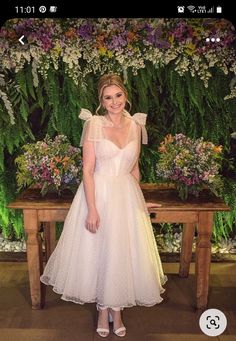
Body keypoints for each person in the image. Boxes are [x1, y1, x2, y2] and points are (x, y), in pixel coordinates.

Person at [40, 74, 167, 338]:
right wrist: (93, 209)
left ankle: (116, 309)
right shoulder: (94, 124)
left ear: (125, 95)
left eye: (118, 95)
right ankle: (102, 308)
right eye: (108, 97)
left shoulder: (135, 125)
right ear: (101, 101)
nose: (114, 102)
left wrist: (140, 201)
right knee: (99, 252)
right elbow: (87, 171)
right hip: (100, 194)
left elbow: (134, 168)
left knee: (121, 252)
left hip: (126, 196)